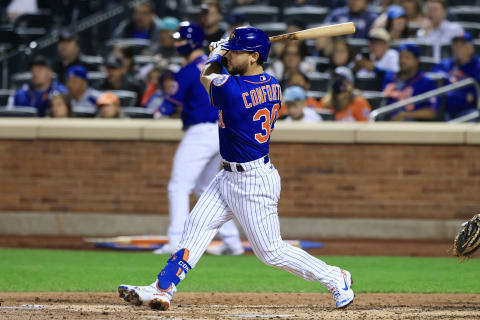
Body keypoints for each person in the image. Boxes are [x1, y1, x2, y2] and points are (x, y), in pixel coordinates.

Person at [118, 26, 354, 311]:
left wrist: (216, 53)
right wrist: (228, 51)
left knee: (271, 252)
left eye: (236, 51)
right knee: (195, 227)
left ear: (254, 57)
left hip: (253, 181)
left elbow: (206, 76)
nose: (230, 54)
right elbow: (226, 76)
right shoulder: (273, 84)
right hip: (227, 176)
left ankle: (335, 277)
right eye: (230, 50)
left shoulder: (231, 90)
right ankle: (162, 289)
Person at [150, 22, 243, 256]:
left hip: (200, 132)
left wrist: (158, 112)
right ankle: (232, 241)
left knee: (179, 186)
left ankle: (176, 241)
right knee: (207, 188)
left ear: (191, 41)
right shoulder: (215, 65)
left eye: (180, 40)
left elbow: (168, 105)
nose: (177, 43)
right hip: (222, 131)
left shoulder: (191, 69)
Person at [430, 32, 480, 120]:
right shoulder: (445, 64)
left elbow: (472, 97)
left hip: (468, 110)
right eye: (455, 44)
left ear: (471, 48)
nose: (458, 48)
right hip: (444, 109)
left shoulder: (477, 66)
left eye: (462, 44)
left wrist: (470, 97)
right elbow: (432, 78)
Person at [381, 43, 438, 121]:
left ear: (416, 61)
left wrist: (405, 115)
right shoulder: (389, 76)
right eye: (401, 57)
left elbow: (431, 112)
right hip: (385, 120)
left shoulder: (426, 82)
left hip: (412, 125)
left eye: (407, 57)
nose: (402, 60)